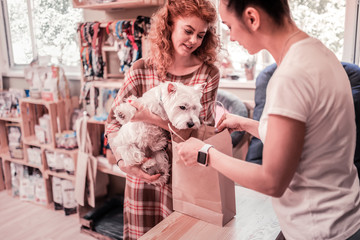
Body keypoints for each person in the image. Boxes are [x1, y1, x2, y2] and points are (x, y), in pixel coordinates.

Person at [176, 0, 360, 239]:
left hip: (320, 229)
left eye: (229, 26)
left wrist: (205, 153)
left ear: (252, 18)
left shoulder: (290, 76)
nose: (230, 37)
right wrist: (245, 124)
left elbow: (271, 181)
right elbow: (307, 139)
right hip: (344, 216)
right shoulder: (319, 53)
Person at [105, 0, 220, 239]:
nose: (194, 41)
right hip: (142, 180)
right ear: (169, 25)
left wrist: (151, 118)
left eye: (201, 35)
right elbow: (114, 123)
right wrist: (125, 164)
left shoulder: (207, 75)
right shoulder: (140, 69)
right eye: (188, 31)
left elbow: (200, 134)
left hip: (185, 178)